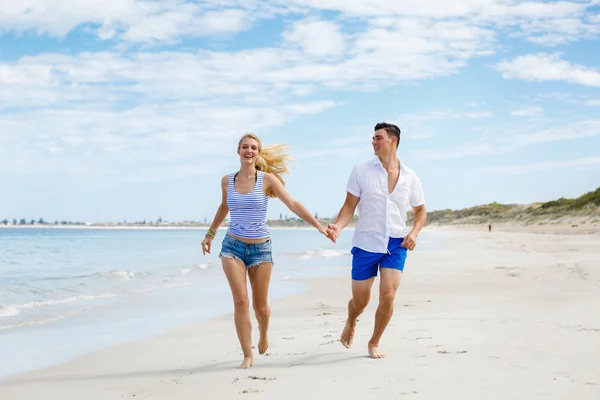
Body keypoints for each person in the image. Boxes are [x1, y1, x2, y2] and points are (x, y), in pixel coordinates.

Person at [201, 133, 329, 369]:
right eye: (244, 147)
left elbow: (293, 204)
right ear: (238, 151)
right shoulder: (227, 180)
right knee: (241, 301)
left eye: (253, 148)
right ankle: (247, 356)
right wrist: (210, 234)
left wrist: (318, 226)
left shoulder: (267, 179)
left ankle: (263, 331)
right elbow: (224, 206)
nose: (248, 151)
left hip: (261, 249)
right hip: (232, 247)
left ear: (258, 153)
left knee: (260, 308)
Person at [326, 122, 427, 359]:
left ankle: (374, 342)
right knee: (361, 301)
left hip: (396, 243)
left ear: (393, 140)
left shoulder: (411, 177)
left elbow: (421, 211)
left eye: (378, 138)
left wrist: (413, 233)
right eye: (373, 138)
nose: (373, 142)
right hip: (365, 242)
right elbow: (349, 206)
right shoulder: (361, 170)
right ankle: (351, 320)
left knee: (389, 294)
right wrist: (338, 227)